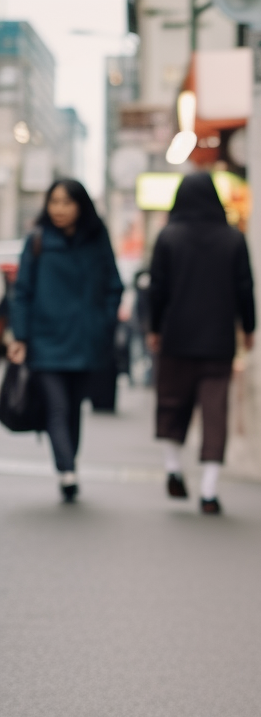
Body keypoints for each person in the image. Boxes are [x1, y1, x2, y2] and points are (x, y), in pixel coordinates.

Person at [7, 179, 123, 502]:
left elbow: (113, 285)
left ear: (80, 206)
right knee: (57, 407)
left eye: (66, 202)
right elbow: (23, 292)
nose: (59, 209)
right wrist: (21, 335)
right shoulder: (38, 240)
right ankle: (66, 470)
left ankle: (69, 463)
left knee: (73, 408)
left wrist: (103, 321)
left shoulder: (97, 239)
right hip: (45, 341)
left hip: (86, 342)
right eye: (54, 202)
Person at [147, 172, 255, 515]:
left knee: (172, 403)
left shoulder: (168, 236)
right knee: (214, 411)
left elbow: (157, 289)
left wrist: (153, 328)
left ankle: (173, 468)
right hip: (218, 341)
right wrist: (248, 328)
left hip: (176, 337)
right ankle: (209, 491)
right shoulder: (233, 239)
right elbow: (245, 288)